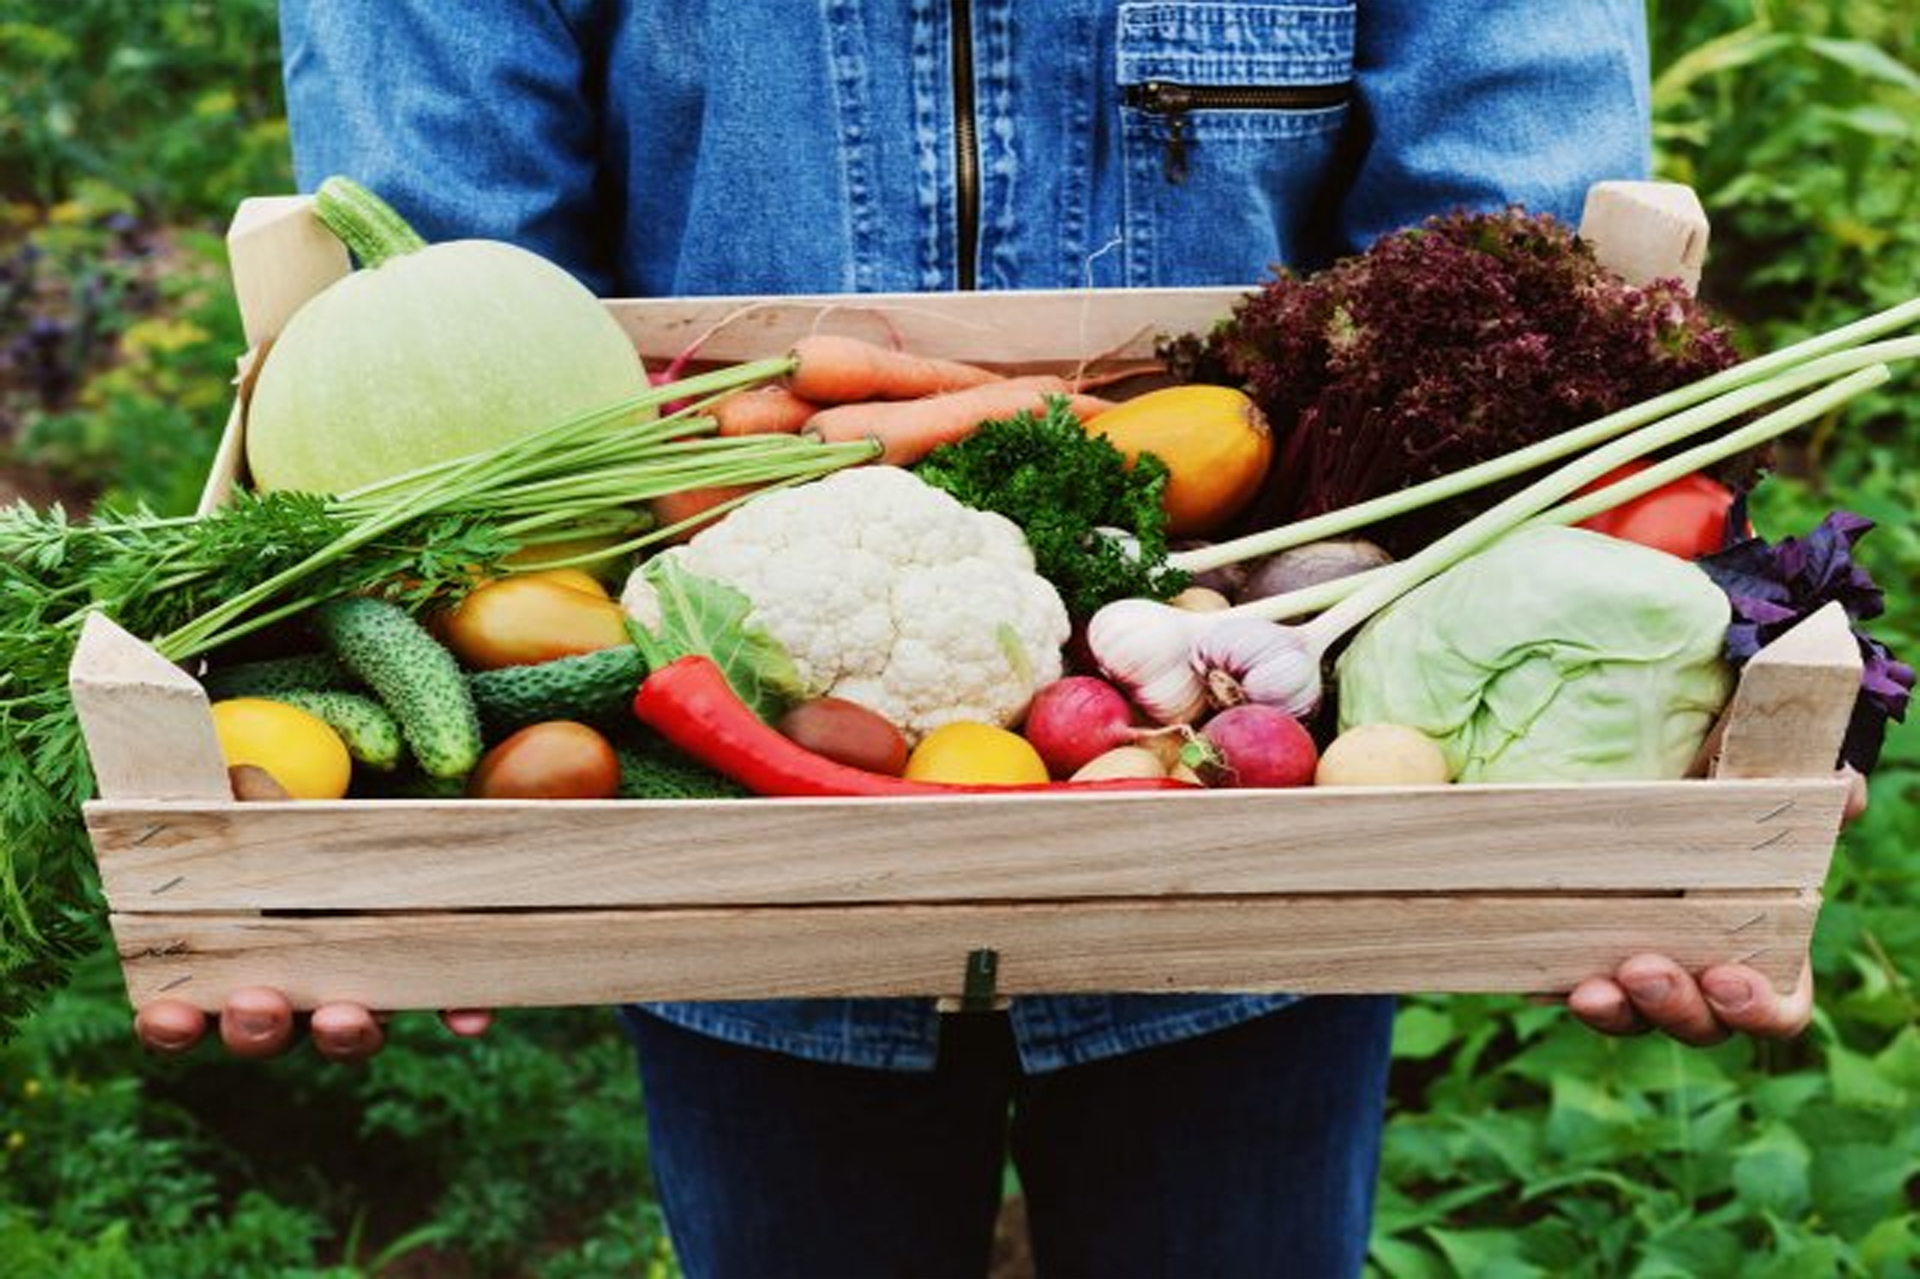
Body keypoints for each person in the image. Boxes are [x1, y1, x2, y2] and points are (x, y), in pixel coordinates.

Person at [136, 3, 1864, 1274]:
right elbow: (443, 285)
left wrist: (1634, 804)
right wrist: (403, 857)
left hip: (1265, 855)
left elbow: (1519, 265)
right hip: (728, 876)